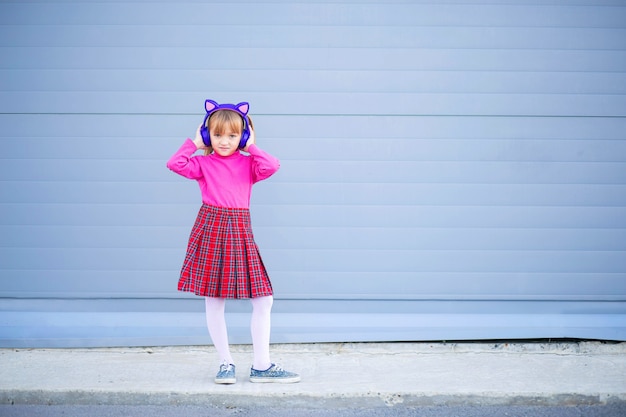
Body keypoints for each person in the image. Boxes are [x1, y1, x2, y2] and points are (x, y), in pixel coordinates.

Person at [166, 100, 300, 384]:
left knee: (264, 299)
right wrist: (193, 142)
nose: (224, 141)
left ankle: (261, 365)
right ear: (207, 136)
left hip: (239, 229)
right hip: (211, 226)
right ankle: (225, 363)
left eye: (232, 135)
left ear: (243, 136)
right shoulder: (202, 163)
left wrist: (252, 146)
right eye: (216, 135)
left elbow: (272, 165)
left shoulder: (249, 163)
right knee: (214, 299)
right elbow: (174, 163)